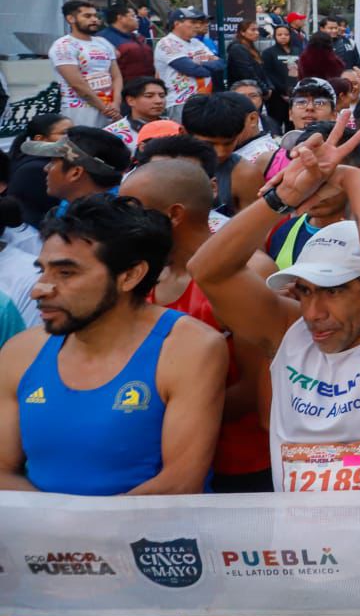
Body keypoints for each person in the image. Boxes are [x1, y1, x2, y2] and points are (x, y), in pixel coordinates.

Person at [187, 124, 360, 491]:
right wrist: (282, 198)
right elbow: (206, 270)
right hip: (298, 547)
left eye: (334, 291)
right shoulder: (288, 331)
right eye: (306, 291)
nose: (313, 313)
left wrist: (351, 181)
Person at [0, 194, 227, 494]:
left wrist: (72, 533)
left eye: (66, 273)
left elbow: (180, 483)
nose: (40, 289)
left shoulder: (188, 348)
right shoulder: (21, 351)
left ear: (130, 275)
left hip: (149, 538)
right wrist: (57, 535)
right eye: (43, 270)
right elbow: (2, 469)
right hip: (45, 536)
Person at [118, 159, 272, 492]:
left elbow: (254, 389)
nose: (124, 222)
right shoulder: (141, 276)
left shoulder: (250, 272)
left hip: (241, 465)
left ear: (174, 214)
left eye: (135, 209)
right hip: (154, 462)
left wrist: (143, 416)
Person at [23, 126, 132, 219]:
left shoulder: (102, 226)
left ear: (75, 173)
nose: (46, 168)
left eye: (52, 162)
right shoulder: (72, 204)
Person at [49, 0, 121, 129]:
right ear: (71, 19)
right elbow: (77, 84)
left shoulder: (103, 42)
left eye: (95, 16)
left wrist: (116, 103)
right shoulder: (63, 46)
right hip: (80, 110)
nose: (94, 19)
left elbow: (116, 76)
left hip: (111, 108)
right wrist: (105, 109)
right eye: (87, 16)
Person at [154, 7, 224, 116]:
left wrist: (201, 64)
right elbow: (192, 69)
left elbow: (221, 64)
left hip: (205, 99)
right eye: (192, 22)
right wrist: (207, 66)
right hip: (181, 102)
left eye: (197, 22)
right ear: (177, 24)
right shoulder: (167, 43)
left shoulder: (196, 42)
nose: (197, 26)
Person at [102, 75, 168, 148]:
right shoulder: (112, 133)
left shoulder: (175, 127)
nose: (159, 101)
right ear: (130, 100)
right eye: (149, 96)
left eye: (162, 96)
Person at [98, 2, 155, 80]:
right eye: (133, 16)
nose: (137, 19)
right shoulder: (103, 39)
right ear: (120, 18)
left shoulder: (137, 37)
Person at [261, 22, 302, 123]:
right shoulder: (268, 53)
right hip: (277, 96)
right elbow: (268, 73)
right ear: (274, 36)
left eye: (286, 34)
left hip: (296, 93)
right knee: (276, 122)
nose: (283, 37)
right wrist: (282, 91)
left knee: (293, 122)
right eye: (279, 35)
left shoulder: (298, 51)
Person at [226, 19, 267, 86]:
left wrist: (270, 87)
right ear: (242, 32)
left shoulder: (252, 47)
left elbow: (262, 72)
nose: (257, 33)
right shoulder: (237, 49)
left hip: (258, 89)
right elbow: (248, 74)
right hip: (245, 90)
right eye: (253, 30)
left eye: (257, 30)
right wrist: (264, 89)